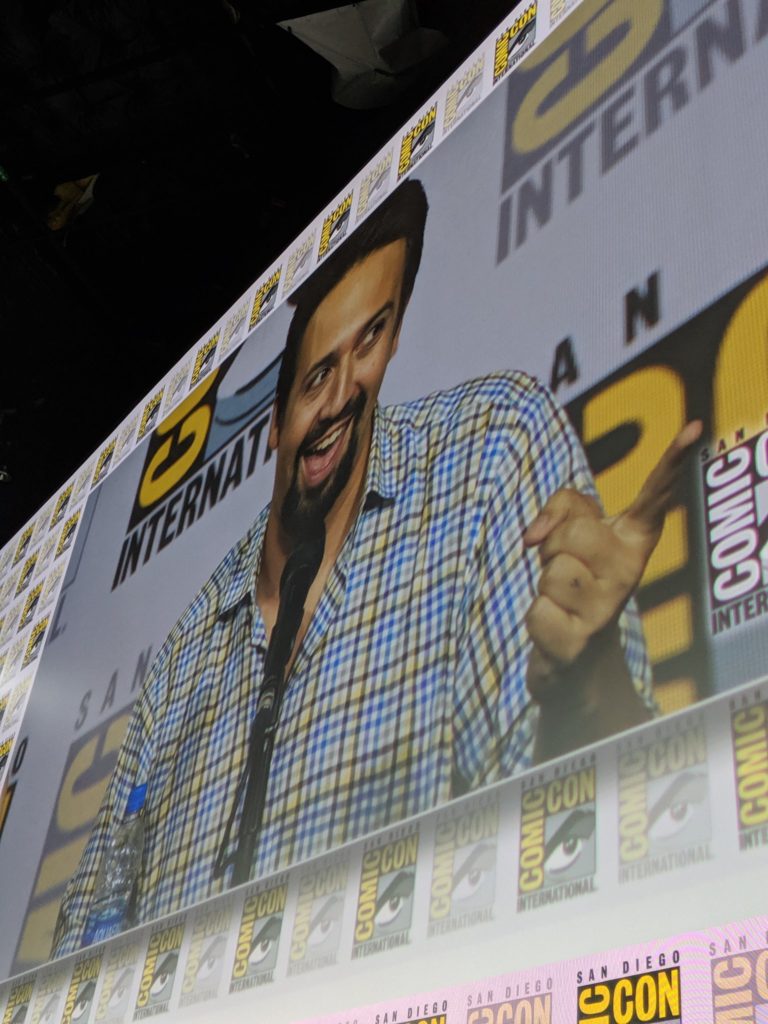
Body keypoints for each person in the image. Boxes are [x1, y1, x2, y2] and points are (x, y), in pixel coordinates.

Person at [52, 180, 700, 956]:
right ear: (273, 422)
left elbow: (603, 842)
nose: (341, 395)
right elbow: (83, 944)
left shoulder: (489, 449)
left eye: (370, 341)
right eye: (315, 376)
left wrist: (589, 685)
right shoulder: (181, 656)